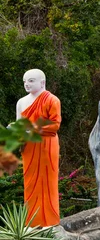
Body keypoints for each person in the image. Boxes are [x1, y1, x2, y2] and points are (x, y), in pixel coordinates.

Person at [15, 69, 61, 227]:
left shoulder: (51, 100)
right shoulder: (21, 102)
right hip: (29, 146)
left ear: (42, 82)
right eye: (25, 81)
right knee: (30, 182)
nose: (27, 84)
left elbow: (55, 125)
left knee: (47, 182)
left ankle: (49, 221)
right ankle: (32, 222)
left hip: (47, 144)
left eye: (31, 80)